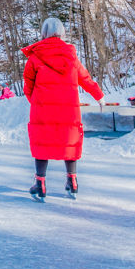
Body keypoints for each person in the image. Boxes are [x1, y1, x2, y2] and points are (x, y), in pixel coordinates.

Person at [22, 17, 105, 201]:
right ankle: (72, 181)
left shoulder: (35, 57)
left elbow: (28, 85)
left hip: (43, 109)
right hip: (68, 109)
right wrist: (99, 96)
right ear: (62, 33)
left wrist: (36, 102)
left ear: (43, 33)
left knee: (42, 144)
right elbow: (85, 78)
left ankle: (40, 183)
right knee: (69, 142)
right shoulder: (71, 56)